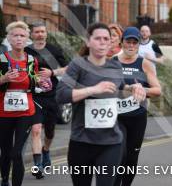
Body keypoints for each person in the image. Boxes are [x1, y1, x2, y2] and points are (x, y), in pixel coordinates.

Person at [56, 22, 146, 186]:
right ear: (88, 41)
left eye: (106, 38)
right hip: (82, 141)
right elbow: (61, 95)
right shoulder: (78, 65)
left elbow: (118, 88)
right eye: (98, 38)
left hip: (111, 142)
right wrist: (92, 90)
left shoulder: (114, 65)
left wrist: (133, 87)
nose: (103, 42)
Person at [0, 21, 51, 186]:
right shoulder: (2, 59)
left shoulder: (31, 60)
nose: (19, 39)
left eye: (22, 36)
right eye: (15, 35)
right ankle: (5, 180)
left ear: (27, 39)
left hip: (26, 112)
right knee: (5, 152)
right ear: (8, 38)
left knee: (16, 154)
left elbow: (35, 81)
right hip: (4, 113)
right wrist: (4, 78)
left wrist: (42, 83)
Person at [113, 27, 161, 186]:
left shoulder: (144, 63)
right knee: (119, 154)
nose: (131, 45)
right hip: (116, 116)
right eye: (128, 41)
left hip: (137, 117)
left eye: (135, 42)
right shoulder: (112, 62)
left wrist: (142, 89)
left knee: (131, 158)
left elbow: (157, 90)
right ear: (122, 42)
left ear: (139, 45)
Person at [24, 22, 68, 179]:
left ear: (46, 34)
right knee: (36, 129)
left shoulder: (54, 50)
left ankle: (46, 150)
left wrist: (52, 72)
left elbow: (68, 68)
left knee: (49, 131)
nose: (40, 34)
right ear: (32, 34)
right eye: (37, 32)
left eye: (43, 31)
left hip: (52, 96)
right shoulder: (26, 51)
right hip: (34, 96)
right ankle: (37, 165)